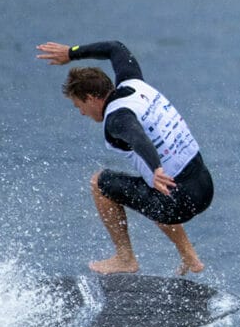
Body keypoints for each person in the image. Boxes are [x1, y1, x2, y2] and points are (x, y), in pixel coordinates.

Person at [38, 39, 213, 276]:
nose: (81, 112)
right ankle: (191, 258)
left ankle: (124, 258)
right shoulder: (134, 83)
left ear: (91, 98)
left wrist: (156, 168)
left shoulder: (117, 118)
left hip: (178, 202)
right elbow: (115, 48)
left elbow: (137, 136)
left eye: (79, 105)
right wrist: (71, 53)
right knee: (153, 187)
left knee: (100, 183)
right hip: (204, 185)